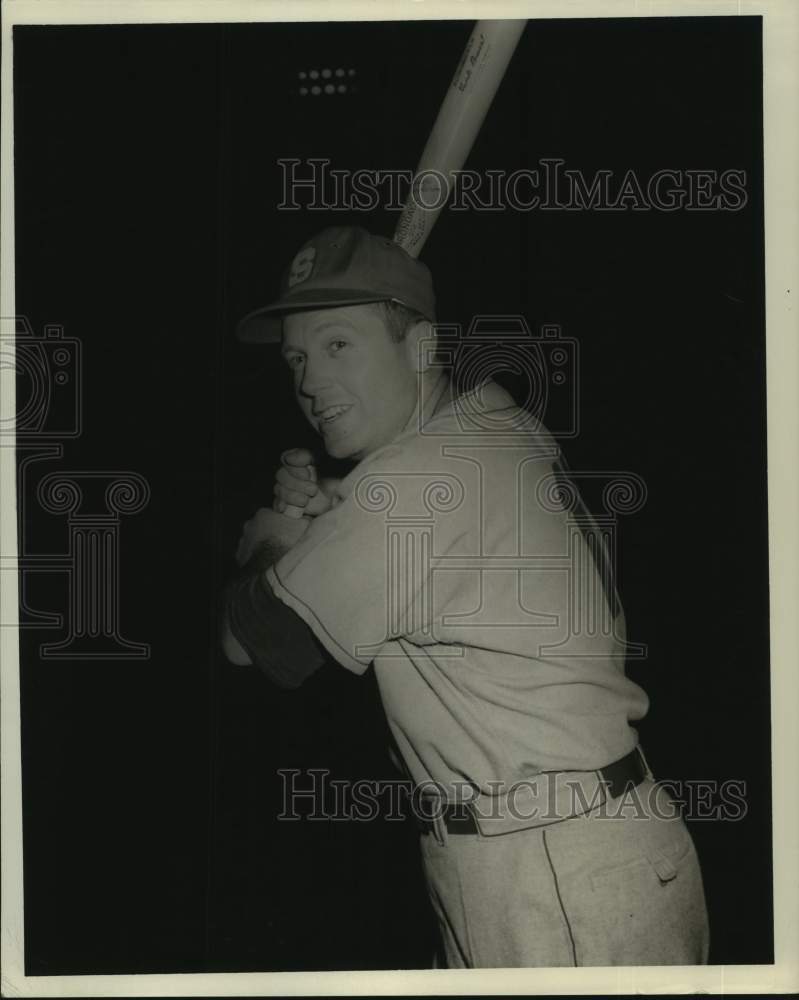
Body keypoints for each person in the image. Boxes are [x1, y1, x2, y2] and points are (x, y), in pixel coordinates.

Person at [221, 224, 710, 968]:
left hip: (547, 870)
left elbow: (246, 641)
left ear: (420, 348)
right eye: (296, 357)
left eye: (337, 344)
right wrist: (335, 507)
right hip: (587, 843)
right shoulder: (491, 421)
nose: (310, 382)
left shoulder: (412, 486)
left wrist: (276, 536)